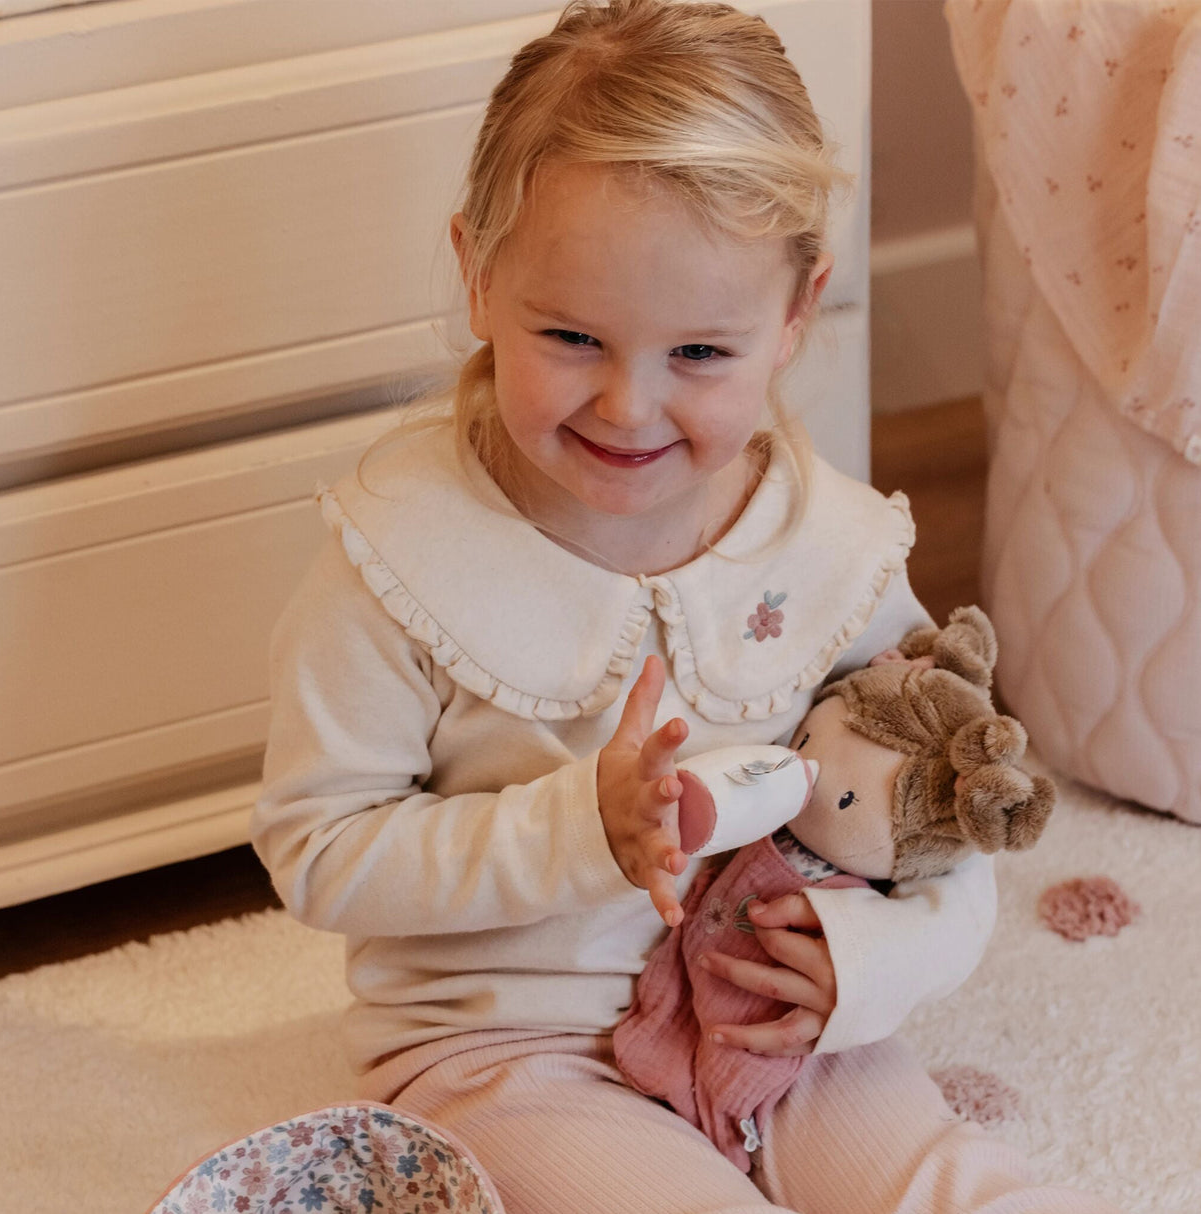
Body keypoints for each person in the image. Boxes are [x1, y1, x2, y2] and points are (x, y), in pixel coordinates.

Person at [252, 2, 1120, 1210]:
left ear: (793, 314)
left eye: (699, 354)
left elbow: (941, 814)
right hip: (510, 1050)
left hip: (774, 1018)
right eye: (569, 335)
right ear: (477, 272)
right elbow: (320, 851)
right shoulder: (400, 555)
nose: (627, 404)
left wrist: (860, 962)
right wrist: (577, 832)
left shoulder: (831, 547)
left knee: (951, 1184)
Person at [613, 607, 1056, 1173]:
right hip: (543, 1022)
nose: (805, 772)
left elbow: (960, 865)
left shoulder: (857, 565)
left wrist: (868, 964)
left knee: (943, 1176)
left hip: (816, 1027)